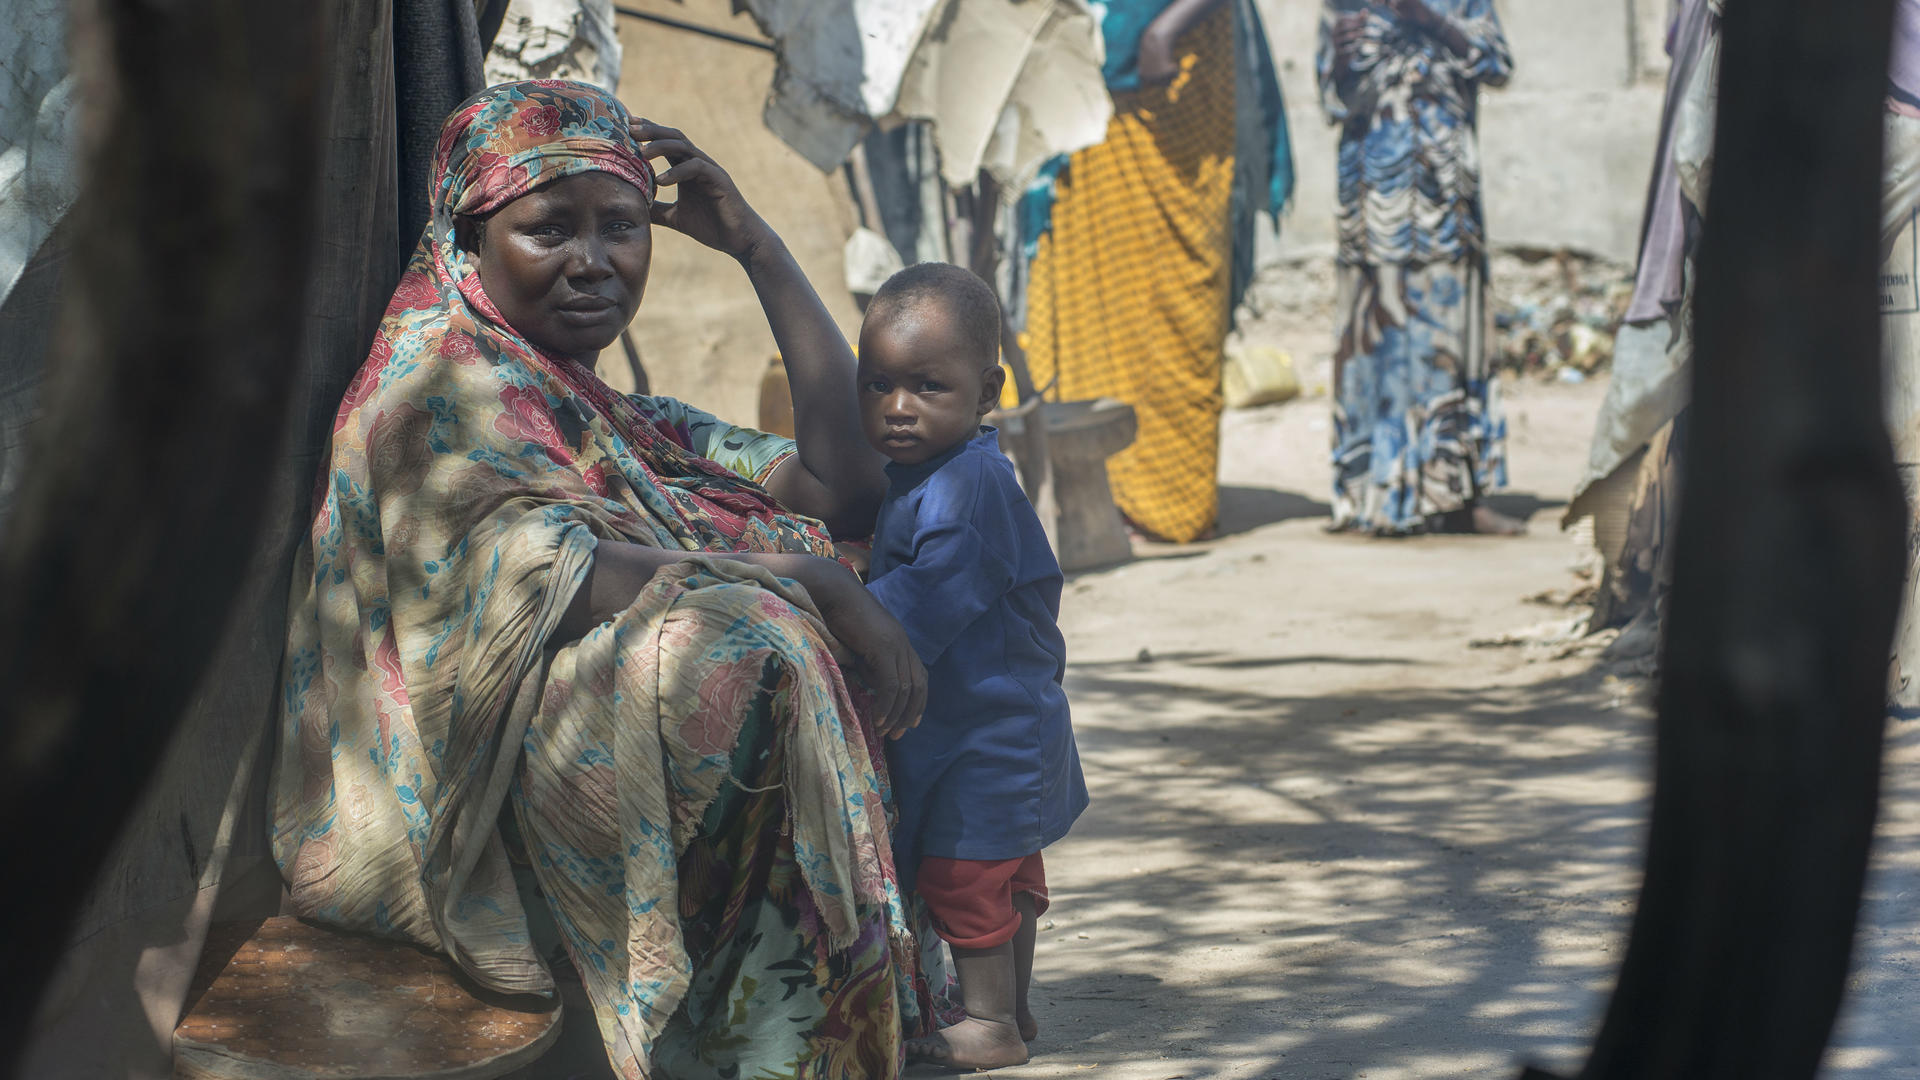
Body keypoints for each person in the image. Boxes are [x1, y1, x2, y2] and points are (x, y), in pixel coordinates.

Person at [270, 81, 934, 1077]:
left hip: (582, 778)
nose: (595, 261)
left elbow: (845, 484)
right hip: (470, 817)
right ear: (467, 239)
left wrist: (755, 244)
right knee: (739, 647)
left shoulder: (606, 415)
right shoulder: (425, 396)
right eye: (549, 229)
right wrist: (810, 584)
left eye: (621, 226)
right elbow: (549, 577)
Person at [855, 263, 1089, 1069]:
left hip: (988, 734)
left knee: (964, 876)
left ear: (986, 390)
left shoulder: (969, 489)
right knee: (1002, 874)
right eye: (877, 384)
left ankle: (988, 1025)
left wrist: (829, 595)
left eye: (927, 386)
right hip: (995, 725)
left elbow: (922, 604)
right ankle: (1011, 1011)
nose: (897, 408)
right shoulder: (934, 474)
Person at [1017, 0, 1294, 544]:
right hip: (1085, 73)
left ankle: (1168, 497)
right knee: (1088, 295)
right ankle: (1099, 491)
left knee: (1172, 296)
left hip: (1169, 78)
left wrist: (1165, 29)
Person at [1318, 0, 1522, 536]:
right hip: (1371, 201)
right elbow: (1334, 100)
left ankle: (1457, 495)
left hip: (1445, 197)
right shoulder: (1344, 6)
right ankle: (1377, 494)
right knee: (1374, 342)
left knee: (1448, 346)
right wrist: (1340, 61)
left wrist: (1430, 20)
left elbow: (1496, 65)